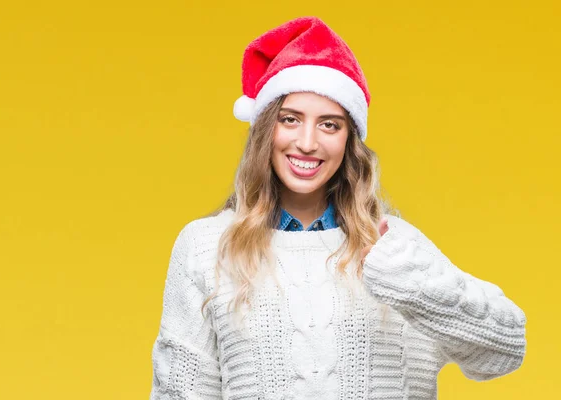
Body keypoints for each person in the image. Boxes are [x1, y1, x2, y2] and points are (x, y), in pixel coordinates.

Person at [149, 16, 527, 400]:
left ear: (350, 140)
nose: (308, 142)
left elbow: (506, 348)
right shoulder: (205, 247)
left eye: (329, 125)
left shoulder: (393, 247)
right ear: (265, 129)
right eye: (290, 119)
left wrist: (411, 283)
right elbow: (178, 392)